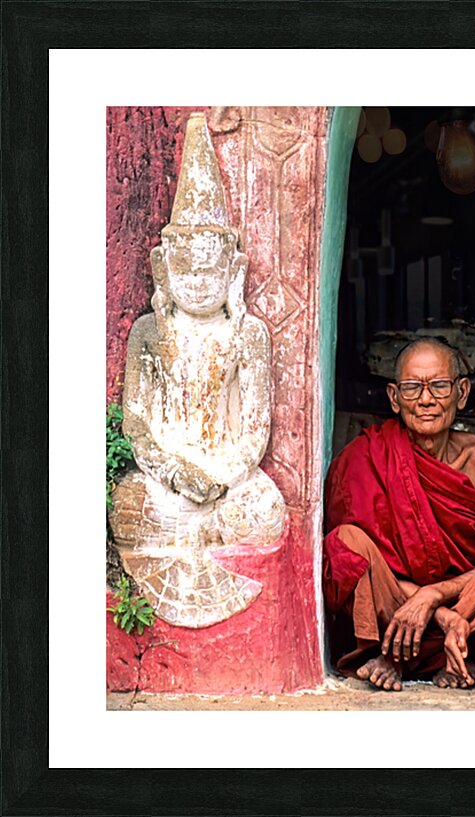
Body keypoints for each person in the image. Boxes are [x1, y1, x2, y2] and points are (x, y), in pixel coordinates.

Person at [108, 113, 285, 628]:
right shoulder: (149, 332)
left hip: (228, 478)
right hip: (166, 479)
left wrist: (223, 476)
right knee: (128, 497)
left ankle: (205, 534)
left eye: (211, 270)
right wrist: (174, 472)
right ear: (163, 268)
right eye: (186, 269)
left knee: (263, 509)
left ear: (233, 269)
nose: (199, 282)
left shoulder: (247, 336)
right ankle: (184, 535)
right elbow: (137, 425)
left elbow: (255, 428)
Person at [323, 337, 475, 690]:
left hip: (466, 612)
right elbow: (356, 568)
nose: (426, 400)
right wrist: (439, 614)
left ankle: (416, 658)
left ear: (461, 392)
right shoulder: (365, 456)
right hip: (397, 611)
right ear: (394, 399)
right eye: (413, 388)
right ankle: (420, 654)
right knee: (345, 544)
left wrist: (435, 597)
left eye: (439, 386)